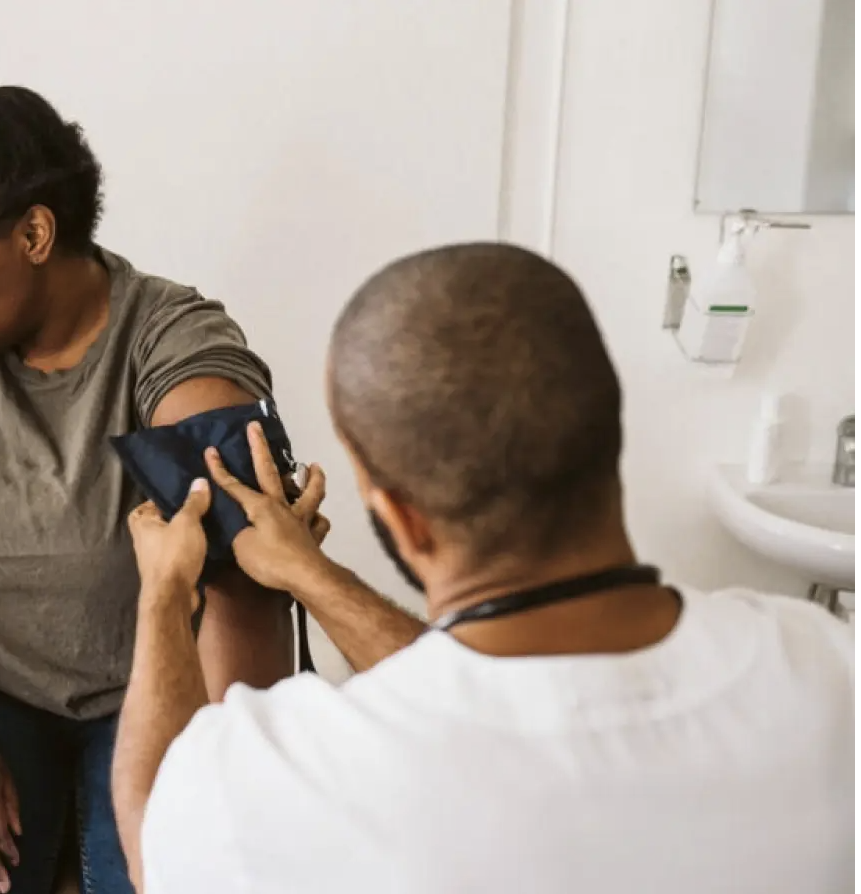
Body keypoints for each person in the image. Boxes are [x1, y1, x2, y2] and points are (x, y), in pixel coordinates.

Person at [115, 242, 856, 893]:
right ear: (611, 432)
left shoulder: (301, 775)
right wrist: (310, 574)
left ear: (399, 515)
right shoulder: (826, 668)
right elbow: (496, 683)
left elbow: (158, 843)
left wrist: (164, 591)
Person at [0, 45, 296, 894]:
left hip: (150, 688)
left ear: (35, 234)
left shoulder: (173, 340)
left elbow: (241, 569)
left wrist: (227, 789)